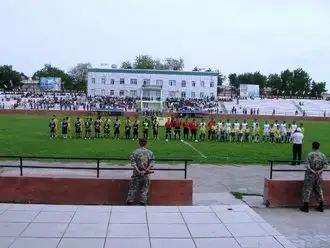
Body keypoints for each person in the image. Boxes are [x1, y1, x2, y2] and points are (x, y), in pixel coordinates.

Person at [300, 141, 328, 213]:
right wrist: (319, 171)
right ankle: (321, 206)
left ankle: (306, 207)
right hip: (319, 175)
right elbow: (325, 165)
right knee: (319, 189)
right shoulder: (322, 155)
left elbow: (307, 165)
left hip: (310, 175)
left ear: (312, 146)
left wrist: (312, 171)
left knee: (307, 189)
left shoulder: (310, 154)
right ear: (318, 147)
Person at [126, 137, 155, 206]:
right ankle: (143, 203)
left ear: (139, 143)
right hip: (146, 174)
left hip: (136, 174)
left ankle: (130, 202)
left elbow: (133, 163)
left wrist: (138, 170)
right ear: (146, 143)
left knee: (133, 189)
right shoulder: (150, 152)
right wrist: (145, 171)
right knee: (145, 190)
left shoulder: (135, 152)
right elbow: (152, 163)